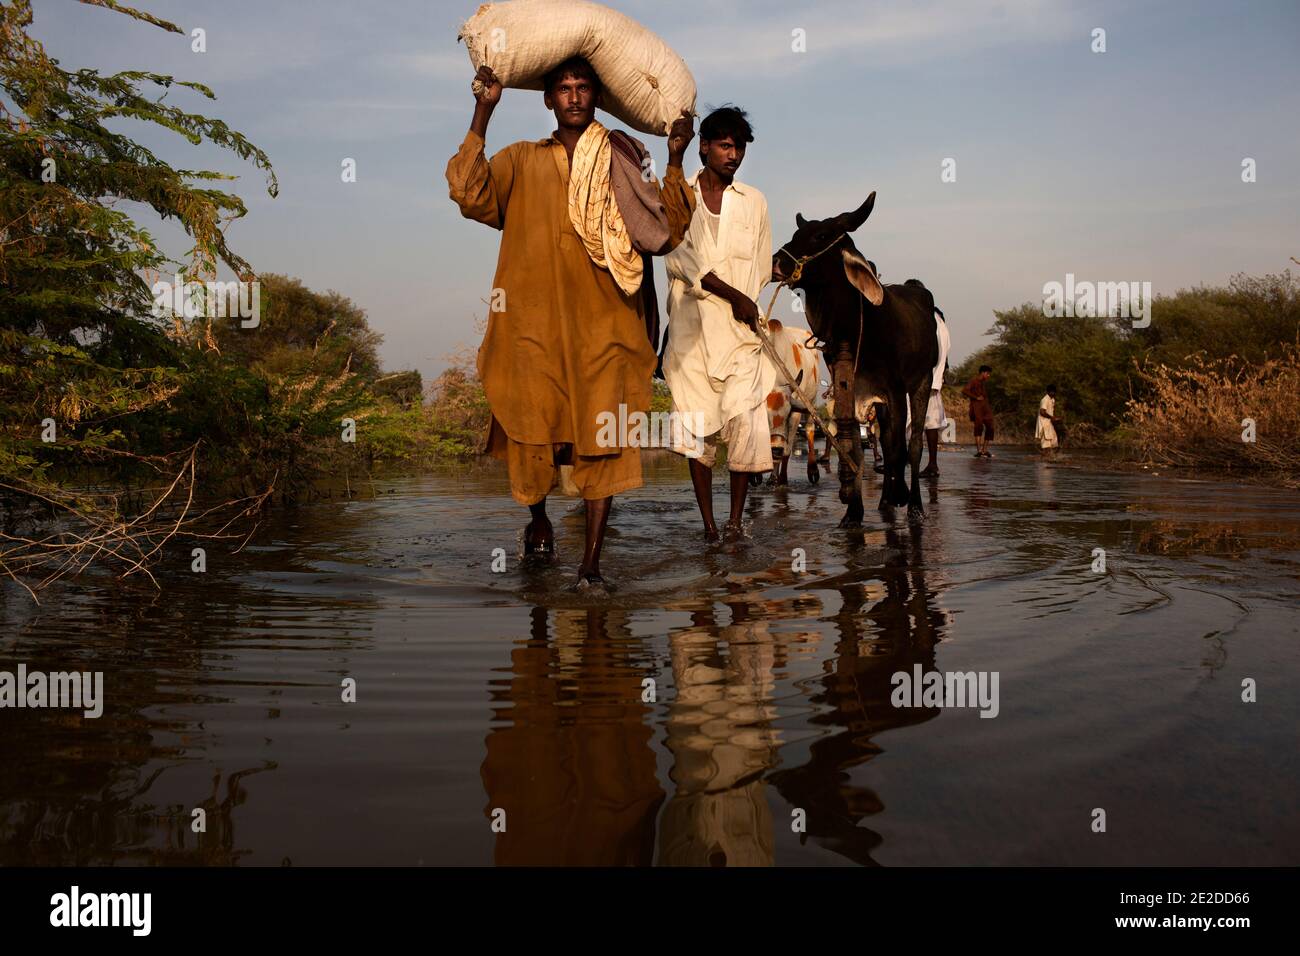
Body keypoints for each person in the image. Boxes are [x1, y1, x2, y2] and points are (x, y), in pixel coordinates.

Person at [446, 59, 696, 588]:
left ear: (597, 97)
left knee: (602, 435)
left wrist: (676, 156)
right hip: (531, 330)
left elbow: (666, 229)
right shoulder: (520, 160)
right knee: (533, 432)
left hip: (608, 328)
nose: (575, 97)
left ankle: (590, 565)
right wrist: (483, 110)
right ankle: (538, 517)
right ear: (547, 99)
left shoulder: (625, 162)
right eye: (564, 88)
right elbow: (469, 193)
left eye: (584, 88)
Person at [661, 106, 774, 541]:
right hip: (692, 336)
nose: (733, 155)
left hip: (741, 337)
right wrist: (735, 295)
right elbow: (679, 258)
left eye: (739, 147)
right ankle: (709, 526)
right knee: (698, 432)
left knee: (746, 427)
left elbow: (760, 266)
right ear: (704, 146)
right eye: (725, 145)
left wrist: (751, 297)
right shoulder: (678, 195)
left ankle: (734, 523)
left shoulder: (755, 202)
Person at [918, 306, 951, 477]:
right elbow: (945, 356)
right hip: (934, 381)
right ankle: (932, 464)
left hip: (919, 378)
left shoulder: (923, 316)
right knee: (931, 425)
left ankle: (903, 461)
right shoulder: (940, 319)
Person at [962, 364, 995, 458]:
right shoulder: (974, 381)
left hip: (986, 407)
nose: (989, 376)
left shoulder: (983, 382)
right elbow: (964, 390)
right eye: (988, 374)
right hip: (977, 407)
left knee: (990, 427)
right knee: (978, 427)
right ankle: (979, 451)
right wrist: (975, 397)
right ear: (983, 373)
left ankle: (985, 450)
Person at [1036, 384, 1061, 457]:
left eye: (1054, 392)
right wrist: (1052, 417)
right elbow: (1042, 412)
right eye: (1052, 392)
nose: (1053, 393)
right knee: (1046, 444)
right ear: (1048, 392)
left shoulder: (1052, 399)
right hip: (1043, 423)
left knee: (1054, 442)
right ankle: (1044, 461)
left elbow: (1050, 412)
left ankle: (1051, 458)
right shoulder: (1045, 400)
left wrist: (1054, 419)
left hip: (1049, 423)